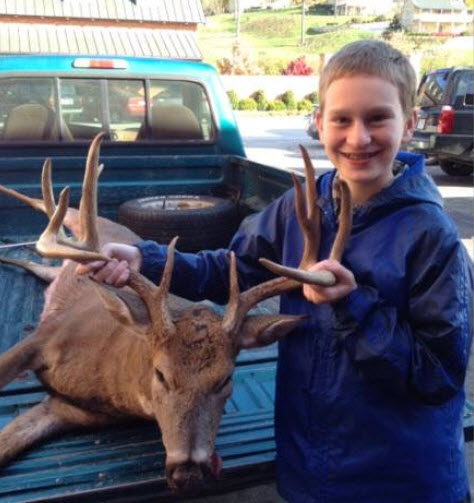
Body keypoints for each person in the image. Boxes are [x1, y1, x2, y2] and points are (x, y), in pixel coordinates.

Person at [78, 40, 473, 503]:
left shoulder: (431, 237)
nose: (358, 137)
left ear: (408, 125)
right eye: (342, 119)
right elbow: (232, 269)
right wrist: (148, 258)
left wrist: (354, 304)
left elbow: (437, 378)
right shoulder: (299, 205)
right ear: (319, 122)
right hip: (310, 464)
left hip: (398, 478)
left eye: (377, 118)